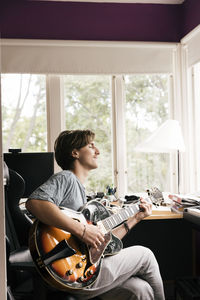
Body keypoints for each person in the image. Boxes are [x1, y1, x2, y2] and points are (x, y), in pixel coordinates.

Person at [26, 129, 165, 300]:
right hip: (70, 273)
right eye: (91, 146)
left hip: (85, 270)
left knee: (140, 289)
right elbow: (34, 203)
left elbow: (102, 243)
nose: (98, 151)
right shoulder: (66, 178)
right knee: (146, 255)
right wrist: (82, 230)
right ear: (75, 153)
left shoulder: (80, 192)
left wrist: (135, 218)